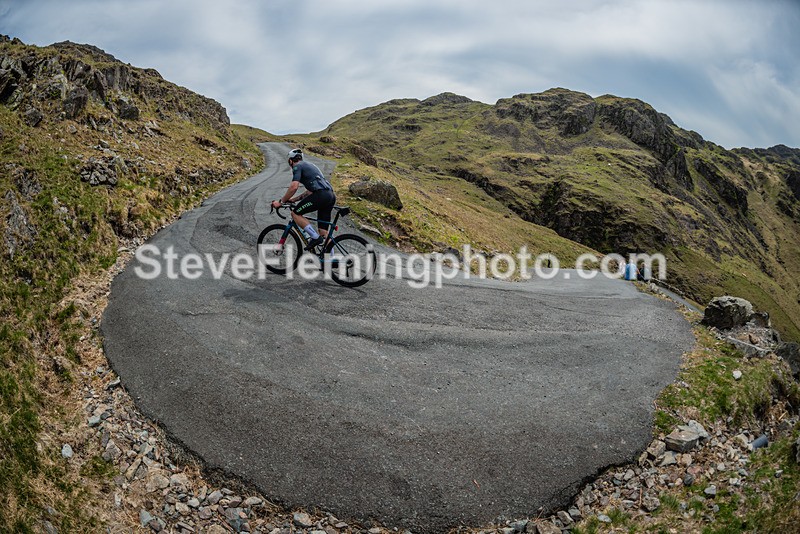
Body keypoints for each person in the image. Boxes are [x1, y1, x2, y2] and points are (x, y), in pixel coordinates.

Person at [271, 149, 336, 250]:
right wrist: (294, 200)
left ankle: (314, 238)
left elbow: (294, 187)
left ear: (290, 161)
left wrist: (281, 202)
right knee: (323, 232)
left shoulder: (297, 166)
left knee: (295, 213)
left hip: (321, 195)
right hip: (330, 195)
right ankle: (329, 260)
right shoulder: (311, 166)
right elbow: (310, 192)